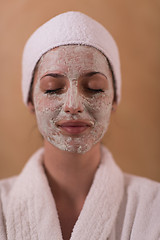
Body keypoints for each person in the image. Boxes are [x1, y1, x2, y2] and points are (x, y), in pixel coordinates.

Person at [0, 11, 160, 240]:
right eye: (52, 88)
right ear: (30, 100)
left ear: (114, 100)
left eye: (94, 87)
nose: (73, 105)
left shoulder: (154, 207)